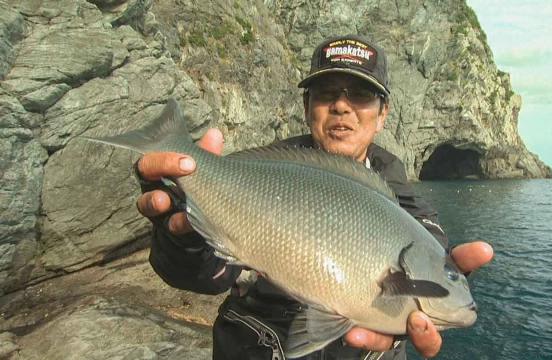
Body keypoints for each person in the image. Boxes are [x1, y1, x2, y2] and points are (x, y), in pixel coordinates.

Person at [135, 35, 493, 359]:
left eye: (361, 95)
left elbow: (430, 244)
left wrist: (403, 326)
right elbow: (203, 276)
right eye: (326, 93)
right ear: (307, 107)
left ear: (382, 114)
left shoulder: (403, 205)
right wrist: (180, 238)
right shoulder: (268, 172)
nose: (341, 106)